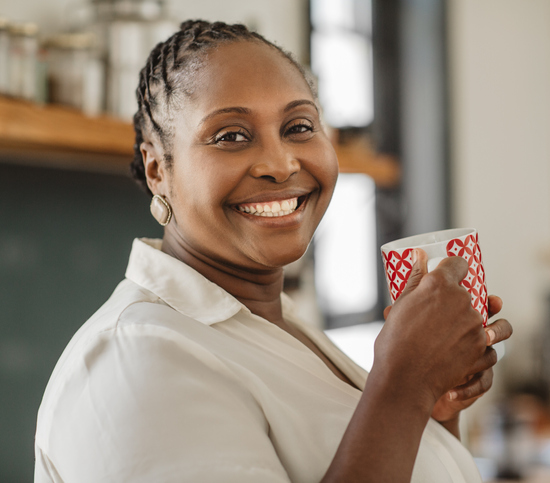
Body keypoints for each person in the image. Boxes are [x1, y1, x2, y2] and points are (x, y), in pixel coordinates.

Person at [34, 20, 512, 483]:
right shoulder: (135, 360)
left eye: (299, 126)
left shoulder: (281, 327)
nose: (281, 165)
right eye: (231, 136)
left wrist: (433, 407)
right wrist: (405, 384)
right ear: (158, 169)